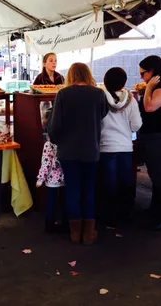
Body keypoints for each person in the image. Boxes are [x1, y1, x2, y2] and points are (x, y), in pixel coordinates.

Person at [47, 62, 108, 244]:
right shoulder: (98, 94)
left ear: (71, 75)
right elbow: (103, 114)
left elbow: (55, 124)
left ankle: (74, 233)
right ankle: (88, 233)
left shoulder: (63, 94)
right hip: (91, 148)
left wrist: (56, 140)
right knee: (89, 188)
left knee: (72, 188)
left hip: (68, 149)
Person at [100, 67, 142, 227]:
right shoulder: (131, 100)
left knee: (108, 183)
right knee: (126, 182)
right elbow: (137, 125)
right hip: (125, 147)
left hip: (105, 146)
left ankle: (109, 217)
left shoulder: (100, 97)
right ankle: (126, 215)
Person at [138, 55, 161, 229]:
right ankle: (154, 211)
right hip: (152, 135)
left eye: (143, 73)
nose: (141, 77)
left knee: (159, 176)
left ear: (152, 71)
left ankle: (158, 218)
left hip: (157, 136)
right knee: (155, 175)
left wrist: (149, 87)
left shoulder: (158, 86)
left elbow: (150, 107)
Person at [36, 109, 65, 233]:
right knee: (65, 202)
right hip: (65, 177)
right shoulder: (66, 142)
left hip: (51, 179)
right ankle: (66, 223)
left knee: (51, 202)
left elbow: (46, 163)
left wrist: (40, 179)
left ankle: (49, 225)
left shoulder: (48, 144)